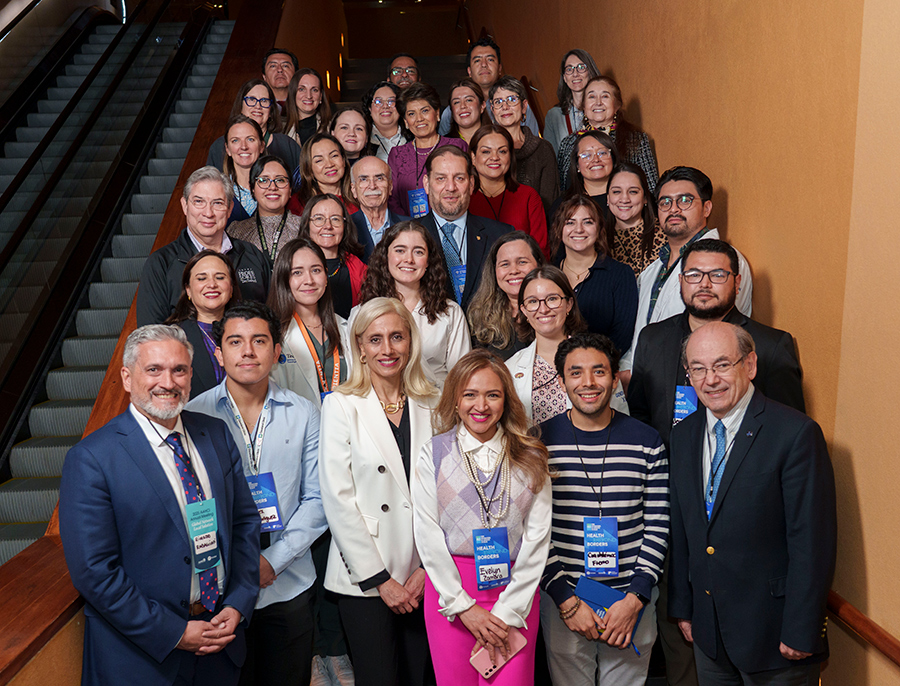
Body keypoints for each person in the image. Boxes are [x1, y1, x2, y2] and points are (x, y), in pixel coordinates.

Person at [58, 324, 260, 686]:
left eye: (179, 370)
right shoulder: (92, 459)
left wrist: (239, 602)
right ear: (127, 376)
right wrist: (175, 632)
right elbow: (95, 572)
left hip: (221, 642)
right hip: (142, 659)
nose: (168, 381)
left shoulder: (214, 434)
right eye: (154, 370)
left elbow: (244, 523)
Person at [668, 322, 836, 685]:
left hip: (775, 637)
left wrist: (802, 628)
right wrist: (684, 607)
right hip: (709, 634)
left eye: (722, 364)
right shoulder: (683, 435)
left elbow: (812, 541)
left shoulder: (794, 433)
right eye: (698, 368)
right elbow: (683, 529)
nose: (710, 379)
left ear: (751, 365)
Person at [186, 301, 327, 686]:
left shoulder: (304, 413)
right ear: (219, 352)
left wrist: (272, 561)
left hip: (288, 583)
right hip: (220, 593)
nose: (247, 351)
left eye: (259, 341)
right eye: (235, 341)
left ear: (276, 350)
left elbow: (317, 500)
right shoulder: (193, 417)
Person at [412, 349, 552, 685]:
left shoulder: (531, 456)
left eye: (493, 395)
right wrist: (463, 606)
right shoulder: (433, 453)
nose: (481, 406)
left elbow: (537, 540)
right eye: (470, 394)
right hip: (452, 594)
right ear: (455, 399)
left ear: (506, 400)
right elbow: (428, 535)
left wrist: (508, 610)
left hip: (516, 593)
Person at [319, 297, 439, 686]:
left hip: (424, 573)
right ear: (360, 347)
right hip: (366, 580)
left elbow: (446, 493)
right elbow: (338, 500)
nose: (387, 349)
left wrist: (425, 567)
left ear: (411, 342)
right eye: (375, 339)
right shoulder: (341, 406)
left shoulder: (432, 401)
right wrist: (379, 580)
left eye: (397, 337)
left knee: (422, 678)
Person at [540, 332, 669, 686]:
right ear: (562, 380)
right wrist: (567, 600)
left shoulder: (647, 440)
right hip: (565, 601)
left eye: (599, 372)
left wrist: (635, 599)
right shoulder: (539, 442)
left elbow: (658, 524)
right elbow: (535, 531)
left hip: (632, 601)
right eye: (576, 372)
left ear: (615, 378)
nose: (588, 383)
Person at [629, 238, 805, 448]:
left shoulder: (771, 346)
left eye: (717, 275)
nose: (704, 284)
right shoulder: (652, 338)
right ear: (681, 280)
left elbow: (789, 430)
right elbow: (638, 414)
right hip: (666, 473)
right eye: (694, 275)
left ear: (737, 283)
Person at [619, 166, 753, 387]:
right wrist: (627, 374)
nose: (673, 209)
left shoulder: (725, 263)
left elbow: (719, 333)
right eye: (665, 202)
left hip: (697, 386)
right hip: (646, 390)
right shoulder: (651, 272)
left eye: (685, 200)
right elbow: (639, 339)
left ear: (707, 207)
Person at [137, 167, 271, 326]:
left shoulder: (251, 255)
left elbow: (273, 317)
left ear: (229, 209)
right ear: (185, 206)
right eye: (199, 202)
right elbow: (150, 336)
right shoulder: (161, 264)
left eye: (218, 203)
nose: (208, 213)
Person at [355, 220, 470, 387]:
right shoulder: (362, 313)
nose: (408, 259)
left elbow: (461, 377)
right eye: (400, 250)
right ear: (385, 256)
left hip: (436, 404)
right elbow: (358, 374)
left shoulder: (450, 312)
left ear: (428, 260)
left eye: (418, 252)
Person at [415, 145, 511, 311]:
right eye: (440, 179)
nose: (451, 187)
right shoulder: (407, 236)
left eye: (459, 178)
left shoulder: (502, 235)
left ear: (471, 183)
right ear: (426, 184)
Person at [267, 237, 350, 407]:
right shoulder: (272, 332)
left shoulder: (346, 328)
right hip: (297, 429)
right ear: (284, 278)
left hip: (345, 428)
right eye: (297, 272)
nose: (309, 280)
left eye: (316, 270)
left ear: (326, 276)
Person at [550, 195, 637, 354]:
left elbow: (622, 336)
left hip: (602, 367)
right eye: (570, 222)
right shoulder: (548, 275)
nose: (578, 229)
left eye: (588, 222)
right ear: (558, 229)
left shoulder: (620, 274)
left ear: (599, 228)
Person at [506, 266, 587, 423]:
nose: (543, 309)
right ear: (524, 310)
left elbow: (618, 419)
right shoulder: (509, 369)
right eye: (533, 301)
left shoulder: (597, 358)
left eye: (552, 299)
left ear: (569, 304)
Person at [557, 76, 658, 192]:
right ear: (583, 106)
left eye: (605, 96)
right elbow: (563, 189)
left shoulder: (635, 139)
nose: (598, 103)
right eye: (591, 97)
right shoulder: (568, 144)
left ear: (617, 105)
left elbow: (651, 188)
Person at [165, 249, 240, 397]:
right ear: (188, 290)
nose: (211, 284)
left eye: (220, 277)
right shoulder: (171, 338)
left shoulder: (249, 330)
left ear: (231, 288)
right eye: (201, 278)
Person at [388, 82, 467, 217]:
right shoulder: (397, 154)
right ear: (406, 121)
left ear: (437, 113)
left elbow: (466, 189)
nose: (419, 119)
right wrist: (410, 228)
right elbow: (392, 198)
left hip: (451, 223)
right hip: (409, 228)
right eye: (411, 114)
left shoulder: (457, 146)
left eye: (425, 111)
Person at [468, 124, 548, 256]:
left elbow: (541, 250)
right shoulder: (465, 199)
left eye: (502, 151)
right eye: (486, 151)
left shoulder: (528, 196)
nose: (494, 157)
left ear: (510, 157)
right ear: (473, 157)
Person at [438, 37, 540, 137]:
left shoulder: (517, 104)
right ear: (469, 71)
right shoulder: (453, 111)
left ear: (499, 68)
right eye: (477, 61)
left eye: (490, 59)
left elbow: (532, 141)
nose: (484, 65)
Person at [467, 231, 545, 360]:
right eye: (505, 264)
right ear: (494, 270)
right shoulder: (481, 317)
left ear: (539, 263)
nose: (514, 271)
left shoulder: (555, 309)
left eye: (522, 262)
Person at [488, 76, 559, 211]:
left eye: (512, 100)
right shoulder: (485, 150)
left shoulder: (543, 149)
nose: (505, 107)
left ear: (524, 106)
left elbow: (550, 204)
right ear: (492, 110)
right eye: (498, 102)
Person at [207, 79, 301, 178]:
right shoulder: (219, 147)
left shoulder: (288, 145)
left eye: (264, 101)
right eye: (251, 99)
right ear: (240, 105)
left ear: (271, 110)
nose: (258, 106)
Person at [298, 194, 367, 319]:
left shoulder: (360, 269)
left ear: (345, 225)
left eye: (335, 219)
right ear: (307, 224)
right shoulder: (292, 266)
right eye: (319, 219)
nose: (328, 226)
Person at [228, 155, 300, 264]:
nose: (272, 187)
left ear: (290, 190)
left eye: (280, 180)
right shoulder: (236, 230)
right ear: (252, 189)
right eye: (263, 180)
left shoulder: (304, 227)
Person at [606, 162, 665, 276]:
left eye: (633, 191)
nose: (624, 199)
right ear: (608, 198)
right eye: (616, 192)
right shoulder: (597, 238)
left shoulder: (665, 233)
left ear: (645, 198)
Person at [350, 155, 411, 261]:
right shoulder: (345, 228)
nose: (372, 186)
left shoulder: (410, 226)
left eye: (379, 178)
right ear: (354, 189)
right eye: (364, 179)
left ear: (390, 186)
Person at [549, 130, 619, 221]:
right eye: (586, 155)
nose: (596, 160)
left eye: (602, 153)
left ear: (613, 159)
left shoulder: (627, 199)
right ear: (577, 165)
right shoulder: (563, 204)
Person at [543, 49, 601, 156]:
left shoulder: (602, 109)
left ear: (590, 72)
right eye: (569, 69)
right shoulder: (553, 116)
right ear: (565, 77)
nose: (575, 74)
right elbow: (551, 158)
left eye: (581, 67)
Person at [289, 133, 359, 217]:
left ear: (343, 160)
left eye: (334, 156)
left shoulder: (360, 194)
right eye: (319, 160)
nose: (329, 164)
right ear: (309, 168)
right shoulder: (298, 203)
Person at [221, 115, 265, 223]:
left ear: (262, 146)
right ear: (228, 149)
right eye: (235, 140)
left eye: (250, 139)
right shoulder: (219, 189)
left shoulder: (275, 187)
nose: (244, 146)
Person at [284, 68, 331, 148]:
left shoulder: (332, 129)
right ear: (293, 94)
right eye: (302, 89)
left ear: (320, 96)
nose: (308, 96)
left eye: (314, 90)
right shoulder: (281, 129)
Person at [364, 81, 409, 162]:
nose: (385, 106)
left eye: (391, 101)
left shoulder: (413, 136)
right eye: (378, 102)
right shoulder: (362, 139)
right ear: (369, 108)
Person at [447, 78, 490, 143]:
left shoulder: (498, 139)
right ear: (451, 109)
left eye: (469, 100)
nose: (463, 106)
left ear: (482, 106)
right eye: (456, 102)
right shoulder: (444, 144)